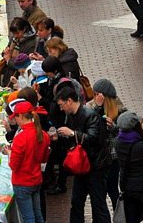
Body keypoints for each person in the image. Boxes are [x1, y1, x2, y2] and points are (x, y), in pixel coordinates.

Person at [55, 85, 111, 223]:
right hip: (82, 166)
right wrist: (60, 137)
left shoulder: (90, 115)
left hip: (95, 167)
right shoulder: (71, 116)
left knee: (98, 204)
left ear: (69, 101)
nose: (61, 109)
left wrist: (72, 134)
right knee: (77, 202)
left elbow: (93, 138)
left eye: (62, 105)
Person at [6, 98, 50, 223]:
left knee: (28, 218)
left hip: (22, 182)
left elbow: (14, 165)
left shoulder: (21, 138)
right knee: (38, 215)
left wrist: (10, 153)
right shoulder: (42, 134)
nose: (15, 120)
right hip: (36, 180)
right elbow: (44, 158)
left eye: (16, 117)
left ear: (21, 116)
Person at [90, 80, 126, 210]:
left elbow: (125, 133)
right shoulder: (91, 107)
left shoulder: (120, 110)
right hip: (98, 156)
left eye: (97, 94)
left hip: (113, 157)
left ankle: (120, 217)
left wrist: (114, 127)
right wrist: (98, 108)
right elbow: (89, 124)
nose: (94, 97)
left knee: (112, 189)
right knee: (100, 192)